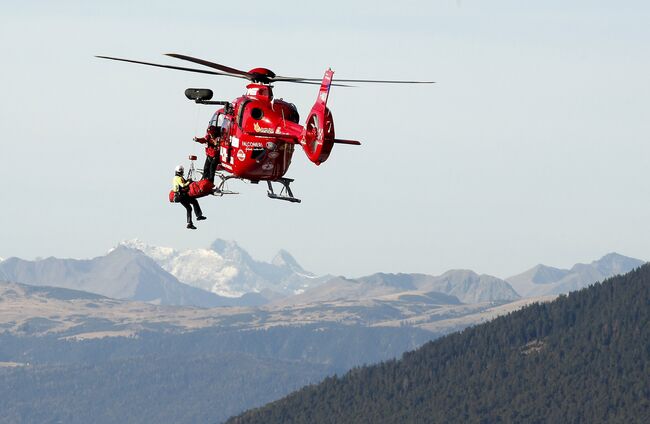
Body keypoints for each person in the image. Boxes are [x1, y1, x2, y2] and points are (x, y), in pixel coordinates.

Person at [172, 164, 206, 230]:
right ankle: (199, 215)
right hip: (182, 196)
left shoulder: (175, 178)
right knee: (194, 201)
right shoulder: (179, 178)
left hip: (178, 196)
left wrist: (187, 181)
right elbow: (183, 185)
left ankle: (189, 223)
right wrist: (189, 182)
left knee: (189, 208)